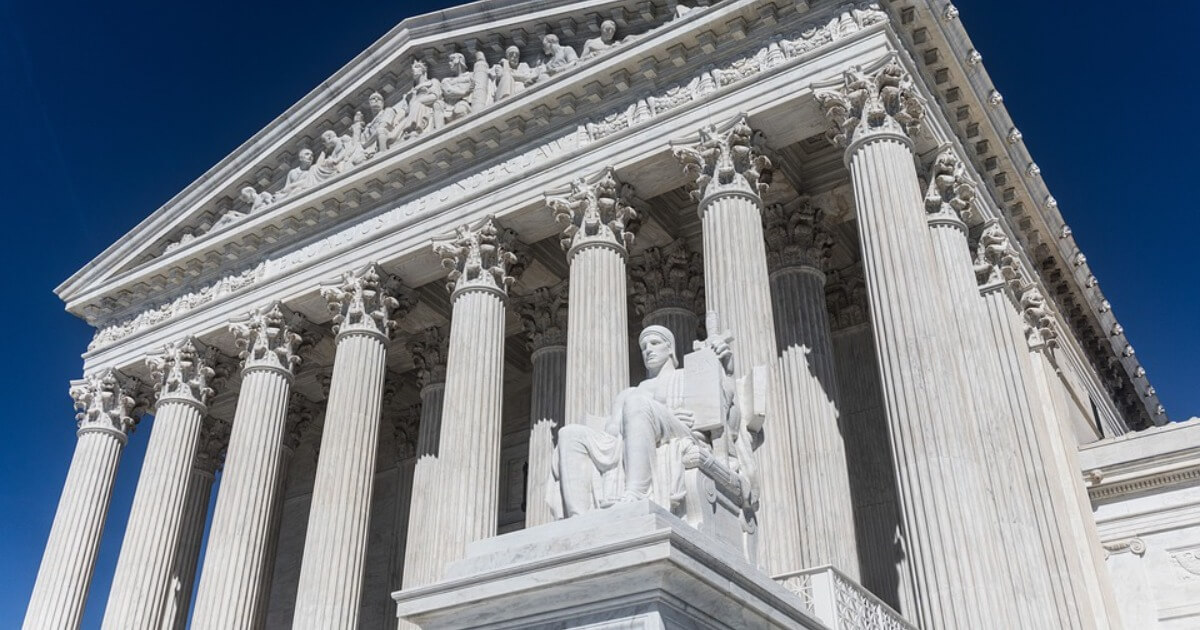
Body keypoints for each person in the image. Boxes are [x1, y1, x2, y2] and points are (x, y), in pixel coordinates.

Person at [554, 325, 736, 516]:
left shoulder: (686, 377)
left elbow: (725, 410)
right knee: (569, 434)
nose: (648, 349)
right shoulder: (629, 394)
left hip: (681, 431)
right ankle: (578, 516)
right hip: (628, 437)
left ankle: (636, 493)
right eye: (644, 347)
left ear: (670, 349)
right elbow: (611, 434)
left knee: (637, 404)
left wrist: (725, 368)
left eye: (655, 343)